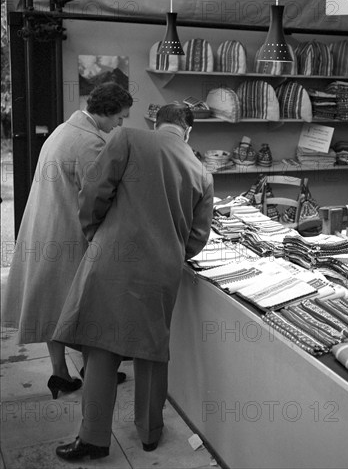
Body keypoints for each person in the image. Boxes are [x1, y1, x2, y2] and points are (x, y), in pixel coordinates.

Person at [51, 103, 214, 461]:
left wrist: (98, 233)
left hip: (112, 259)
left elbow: (93, 191)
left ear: (157, 123)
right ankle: (150, 434)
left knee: (102, 345)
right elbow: (198, 237)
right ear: (188, 131)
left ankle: (92, 440)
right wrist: (170, 253)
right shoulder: (202, 171)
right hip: (162, 272)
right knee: (152, 351)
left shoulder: (127, 138)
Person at [1, 82, 133, 399]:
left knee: (53, 304)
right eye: (120, 118)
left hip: (45, 227)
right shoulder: (89, 143)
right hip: (66, 233)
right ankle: (96, 371)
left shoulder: (65, 128)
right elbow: (100, 197)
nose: (120, 125)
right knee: (89, 306)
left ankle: (60, 374)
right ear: (106, 112)